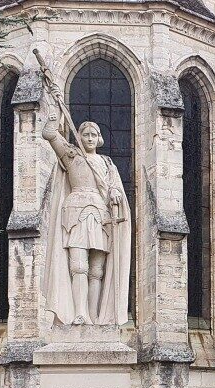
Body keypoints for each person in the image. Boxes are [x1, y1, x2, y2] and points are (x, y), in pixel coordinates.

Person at [41, 88, 131, 326]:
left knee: (97, 270)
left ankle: (94, 316)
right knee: (77, 266)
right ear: (79, 137)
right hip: (75, 214)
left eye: (94, 135)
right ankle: (79, 313)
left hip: (101, 216)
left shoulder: (107, 163)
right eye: (85, 134)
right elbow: (49, 134)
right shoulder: (70, 155)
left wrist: (114, 194)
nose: (90, 138)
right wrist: (56, 110)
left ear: (98, 138)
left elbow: (114, 188)